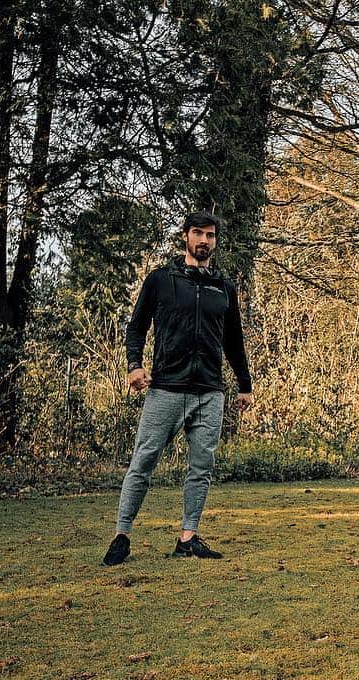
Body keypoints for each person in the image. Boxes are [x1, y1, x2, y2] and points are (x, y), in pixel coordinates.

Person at [101, 210, 254, 566]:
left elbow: (234, 341)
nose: (204, 241)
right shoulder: (160, 280)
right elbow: (136, 327)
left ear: (216, 241)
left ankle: (188, 537)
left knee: (201, 466)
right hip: (166, 389)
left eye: (210, 235)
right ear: (185, 237)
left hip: (210, 392)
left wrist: (244, 386)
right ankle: (122, 535)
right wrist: (134, 366)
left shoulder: (224, 288)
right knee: (143, 461)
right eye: (198, 233)